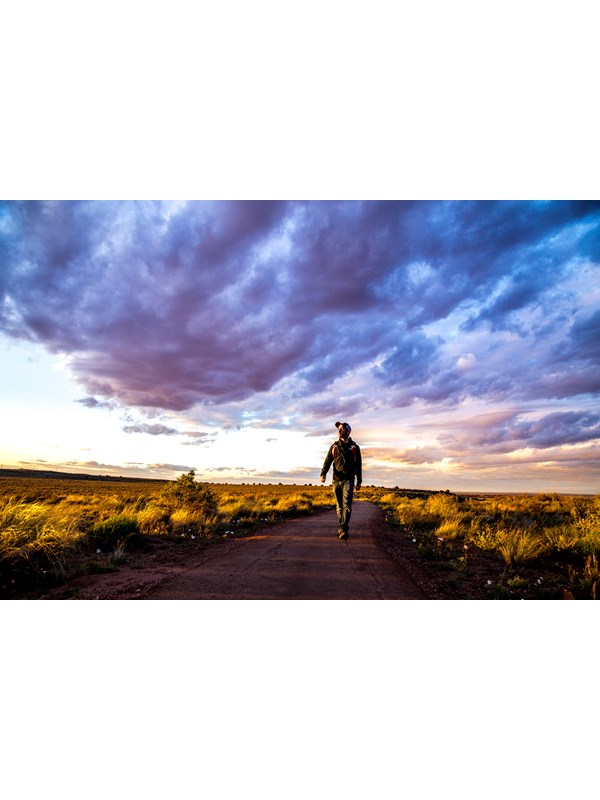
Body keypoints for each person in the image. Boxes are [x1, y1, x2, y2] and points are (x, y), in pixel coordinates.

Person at [320, 421, 362, 540]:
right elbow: (328, 461)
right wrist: (323, 474)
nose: (339, 430)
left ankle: (343, 529)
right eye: (338, 429)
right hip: (336, 480)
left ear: (348, 431)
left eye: (342, 429)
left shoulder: (354, 448)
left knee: (347, 505)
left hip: (348, 480)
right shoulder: (334, 447)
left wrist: (359, 481)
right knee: (339, 507)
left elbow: (358, 465)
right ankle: (342, 526)